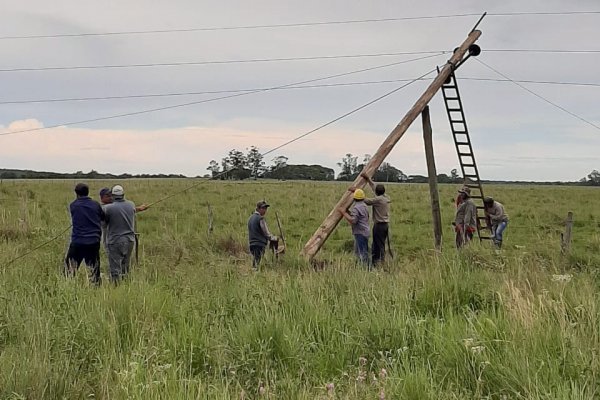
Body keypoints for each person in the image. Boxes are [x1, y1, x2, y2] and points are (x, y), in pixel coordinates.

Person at [103, 185, 146, 283]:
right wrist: (141, 208)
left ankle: (116, 287)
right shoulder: (131, 204)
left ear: (112, 195)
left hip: (115, 241)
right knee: (125, 267)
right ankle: (126, 284)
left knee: (115, 268)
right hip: (130, 241)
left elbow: (103, 224)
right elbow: (133, 210)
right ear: (123, 195)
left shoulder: (108, 208)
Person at [65, 183, 104, 285]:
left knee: (70, 269)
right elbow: (103, 217)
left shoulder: (73, 205)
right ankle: (95, 288)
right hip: (93, 241)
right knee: (94, 269)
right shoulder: (96, 204)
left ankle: (68, 287)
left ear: (76, 193)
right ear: (88, 192)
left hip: (78, 241)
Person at [360, 173, 391, 266]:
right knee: (379, 243)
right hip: (385, 225)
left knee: (378, 244)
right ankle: (377, 261)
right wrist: (369, 179)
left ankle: (380, 262)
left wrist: (357, 193)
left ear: (377, 193)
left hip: (379, 226)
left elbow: (367, 201)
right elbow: (374, 188)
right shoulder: (385, 197)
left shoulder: (378, 200)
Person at [339, 189, 371, 267]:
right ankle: (361, 267)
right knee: (359, 251)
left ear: (354, 198)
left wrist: (343, 212)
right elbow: (357, 217)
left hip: (360, 232)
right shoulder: (364, 206)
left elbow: (353, 220)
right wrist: (347, 212)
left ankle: (365, 268)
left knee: (362, 252)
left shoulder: (356, 208)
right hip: (365, 231)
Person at [247, 201, 277, 270]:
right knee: (257, 263)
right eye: (263, 208)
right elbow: (266, 232)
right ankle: (254, 275)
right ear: (258, 209)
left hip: (252, 243)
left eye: (266, 208)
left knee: (255, 259)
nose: (265, 210)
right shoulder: (260, 219)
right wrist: (273, 238)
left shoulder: (250, 218)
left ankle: (254, 273)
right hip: (259, 243)